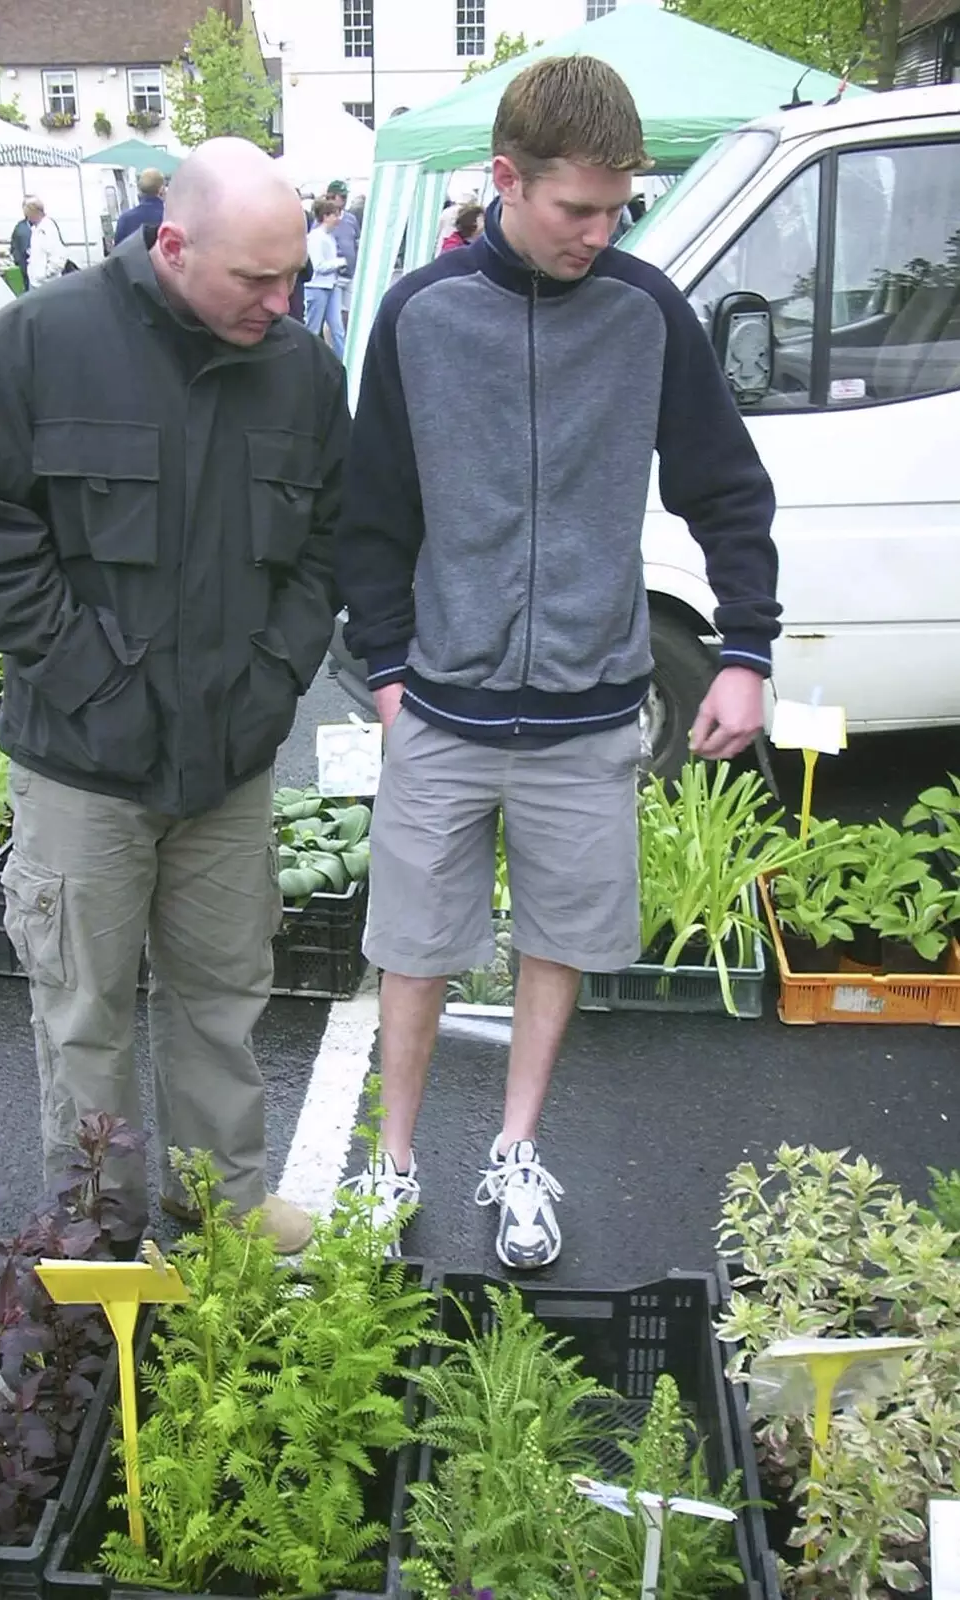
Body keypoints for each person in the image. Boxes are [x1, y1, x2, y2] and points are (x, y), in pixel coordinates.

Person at [337, 56, 780, 1269]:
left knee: (556, 944)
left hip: (588, 716)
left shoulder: (644, 315)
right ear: (504, 181)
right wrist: (386, 669)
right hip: (441, 704)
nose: (601, 231)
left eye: (616, 208)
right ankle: (393, 1159)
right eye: (576, 208)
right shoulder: (420, 316)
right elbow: (370, 512)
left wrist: (742, 648)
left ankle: (516, 1149)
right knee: (413, 949)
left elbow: (725, 488)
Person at [0, 138, 349, 1251]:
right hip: (81, 764)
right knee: (86, 1017)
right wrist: (92, 680)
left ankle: (222, 1215)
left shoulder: (301, 371)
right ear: (171, 244)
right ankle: (98, 1236)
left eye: (292, 274)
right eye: (255, 278)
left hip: (228, 761)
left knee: (223, 1004)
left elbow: (331, 545)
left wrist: (271, 682)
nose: (282, 299)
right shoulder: (38, 343)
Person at [305, 199, 346, 358]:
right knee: (313, 329)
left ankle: (342, 361)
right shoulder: (315, 238)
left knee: (338, 329)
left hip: (331, 286)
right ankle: (308, 362)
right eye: (335, 215)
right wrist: (341, 262)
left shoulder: (329, 237)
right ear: (325, 216)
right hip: (317, 287)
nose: (338, 219)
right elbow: (319, 266)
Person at [324, 179, 360, 327]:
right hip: (334, 275)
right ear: (331, 197)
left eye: (345, 197)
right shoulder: (324, 219)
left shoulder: (351, 218)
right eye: (341, 197)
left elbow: (357, 240)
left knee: (349, 312)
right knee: (334, 318)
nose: (344, 200)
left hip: (350, 274)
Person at [113, 168, 167, 247]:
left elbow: (117, 252)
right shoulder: (169, 217)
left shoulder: (125, 219)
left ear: (139, 190)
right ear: (161, 190)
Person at [25, 197, 66, 287]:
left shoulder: (48, 229)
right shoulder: (36, 229)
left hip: (47, 284)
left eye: (28, 215)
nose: (28, 219)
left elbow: (58, 257)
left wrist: (45, 274)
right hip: (36, 282)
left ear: (35, 212)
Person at [10, 209, 32, 290]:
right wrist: (18, 260)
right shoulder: (20, 227)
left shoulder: (45, 226)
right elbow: (13, 245)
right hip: (25, 266)